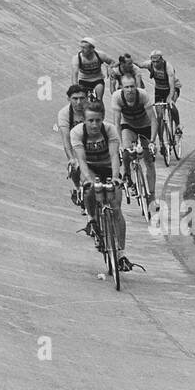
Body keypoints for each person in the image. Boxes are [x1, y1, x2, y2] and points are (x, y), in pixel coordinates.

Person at [71, 100, 137, 272]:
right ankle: (92, 219)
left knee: (116, 208)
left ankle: (121, 254)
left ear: (103, 119)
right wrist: (88, 179)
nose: (94, 124)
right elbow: (82, 160)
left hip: (108, 167)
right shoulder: (77, 133)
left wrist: (115, 177)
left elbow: (115, 155)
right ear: (84, 120)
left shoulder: (110, 130)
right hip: (91, 168)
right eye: (90, 120)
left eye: (98, 120)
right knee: (91, 188)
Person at [109, 73, 158, 211]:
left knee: (149, 161)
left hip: (145, 125)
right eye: (126, 87)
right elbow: (117, 124)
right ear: (121, 88)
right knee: (126, 151)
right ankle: (128, 177)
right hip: (128, 125)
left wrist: (152, 141)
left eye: (132, 87)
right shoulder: (117, 97)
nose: (130, 90)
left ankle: (152, 196)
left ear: (136, 86)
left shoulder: (143, 95)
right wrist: (121, 144)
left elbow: (154, 120)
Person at [141, 49, 182, 137]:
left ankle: (178, 125)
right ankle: (162, 142)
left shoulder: (168, 67)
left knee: (171, 105)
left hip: (172, 88)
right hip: (159, 90)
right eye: (154, 62)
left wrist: (170, 97)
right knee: (159, 116)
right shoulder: (149, 64)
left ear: (161, 60)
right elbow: (138, 64)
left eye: (157, 62)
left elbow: (172, 86)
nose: (155, 64)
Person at [57, 84, 89, 197]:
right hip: (75, 144)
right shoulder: (64, 114)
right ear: (68, 99)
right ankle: (77, 187)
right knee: (75, 167)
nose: (79, 102)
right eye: (75, 99)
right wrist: (71, 158)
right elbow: (66, 139)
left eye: (82, 98)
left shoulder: (93, 109)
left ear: (87, 98)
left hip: (90, 142)